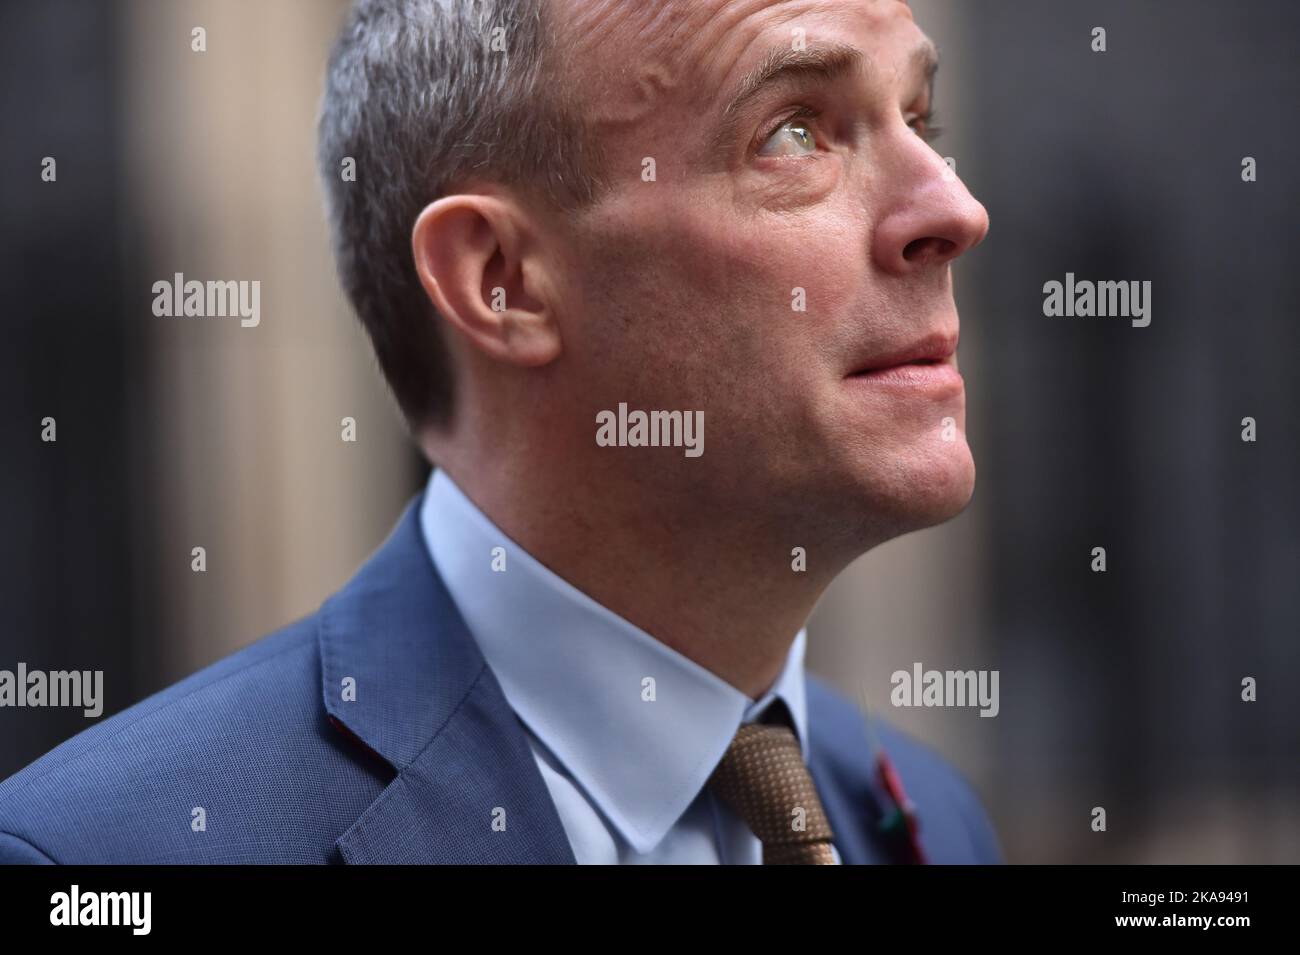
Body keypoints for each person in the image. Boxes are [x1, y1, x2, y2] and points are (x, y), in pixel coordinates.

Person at [0, 0, 997, 864]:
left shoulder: (928, 820)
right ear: (501, 281)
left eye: (918, 115)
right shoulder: (107, 852)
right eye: (792, 131)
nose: (954, 207)